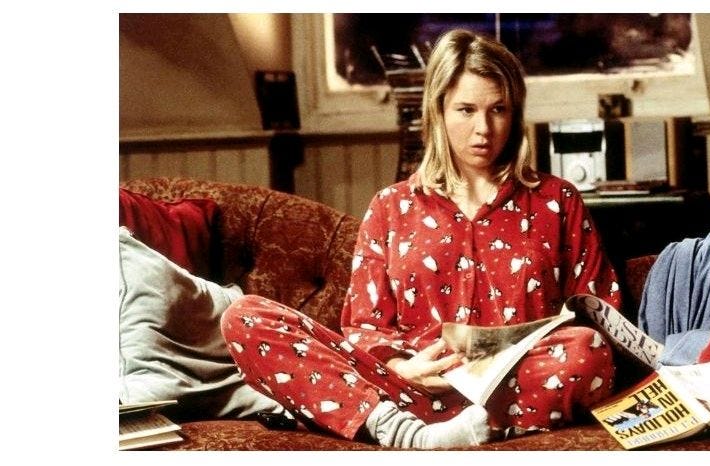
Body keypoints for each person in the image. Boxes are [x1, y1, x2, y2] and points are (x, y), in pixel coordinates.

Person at [220, 28, 622, 449]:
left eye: (498, 110)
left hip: (517, 387)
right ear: (438, 110)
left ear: (515, 113)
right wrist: (401, 368)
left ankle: (462, 428)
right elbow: (364, 326)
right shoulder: (390, 206)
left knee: (588, 348)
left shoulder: (557, 201)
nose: (483, 128)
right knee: (244, 316)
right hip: (406, 393)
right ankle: (409, 433)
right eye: (466, 110)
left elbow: (601, 314)